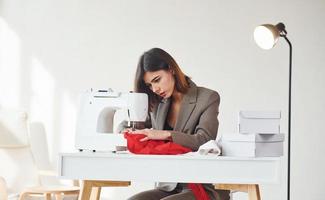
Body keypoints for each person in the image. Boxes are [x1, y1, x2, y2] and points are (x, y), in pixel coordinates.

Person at [126, 48, 230, 200]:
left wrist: (166, 134)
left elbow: (204, 139)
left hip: (198, 186)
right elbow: (132, 124)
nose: (155, 89)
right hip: (166, 186)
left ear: (171, 69)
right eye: (149, 85)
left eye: (157, 80)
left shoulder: (207, 98)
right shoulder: (156, 104)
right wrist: (128, 129)